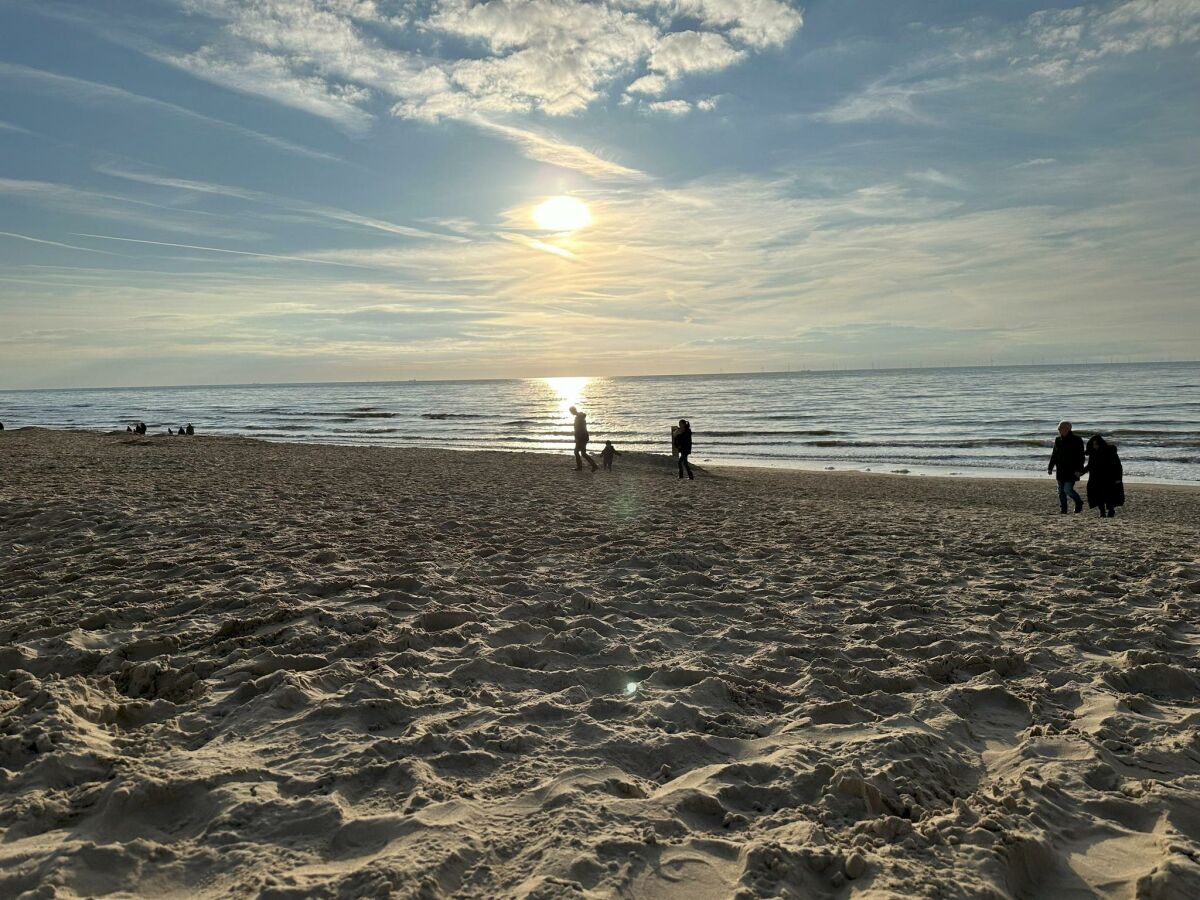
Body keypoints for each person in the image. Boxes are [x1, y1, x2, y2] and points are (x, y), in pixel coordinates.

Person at [1048, 420, 1085, 513]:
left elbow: (1081, 456)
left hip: (1072, 470)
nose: (1059, 429)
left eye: (1060, 428)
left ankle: (1078, 502)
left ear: (1068, 429)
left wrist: (1079, 470)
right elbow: (1054, 455)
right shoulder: (1058, 439)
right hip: (1060, 469)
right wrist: (1050, 467)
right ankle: (1063, 510)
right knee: (1061, 491)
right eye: (1058, 428)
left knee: (1067, 489)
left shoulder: (1077, 440)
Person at [1084, 434, 1124, 518]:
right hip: (1095, 477)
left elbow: (1117, 465)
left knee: (1109, 495)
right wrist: (1081, 472)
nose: (1095, 446)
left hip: (1109, 477)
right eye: (1093, 444)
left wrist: (1118, 478)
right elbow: (1090, 465)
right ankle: (1102, 512)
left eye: (1096, 444)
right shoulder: (1093, 453)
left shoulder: (1110, 451)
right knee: (1097, 495)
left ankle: (1111, 510)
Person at [569, 405, 598, 471]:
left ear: (574, 410)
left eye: (572, 411)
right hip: (582, 437)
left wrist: (578, 438)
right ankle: (589, 466)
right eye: (571, 412)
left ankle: (584, 466)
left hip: (582, 437)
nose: (571, 413)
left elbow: (580, 429)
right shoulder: (579, 416)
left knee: (579, 452)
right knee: (580, 452)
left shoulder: (579, 417)